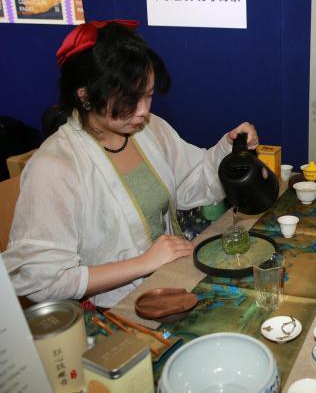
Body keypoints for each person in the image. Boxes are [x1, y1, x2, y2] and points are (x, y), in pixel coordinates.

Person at [4, 20, 260, 308]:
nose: (143, 111)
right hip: (112, 307)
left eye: (148, 95)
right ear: (85, 96)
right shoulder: (55, 166)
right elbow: (42, 281)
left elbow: (192, 182)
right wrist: (144, 262)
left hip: (167, 280)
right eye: (129, 100)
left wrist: (231, 148)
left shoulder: (148, 130)